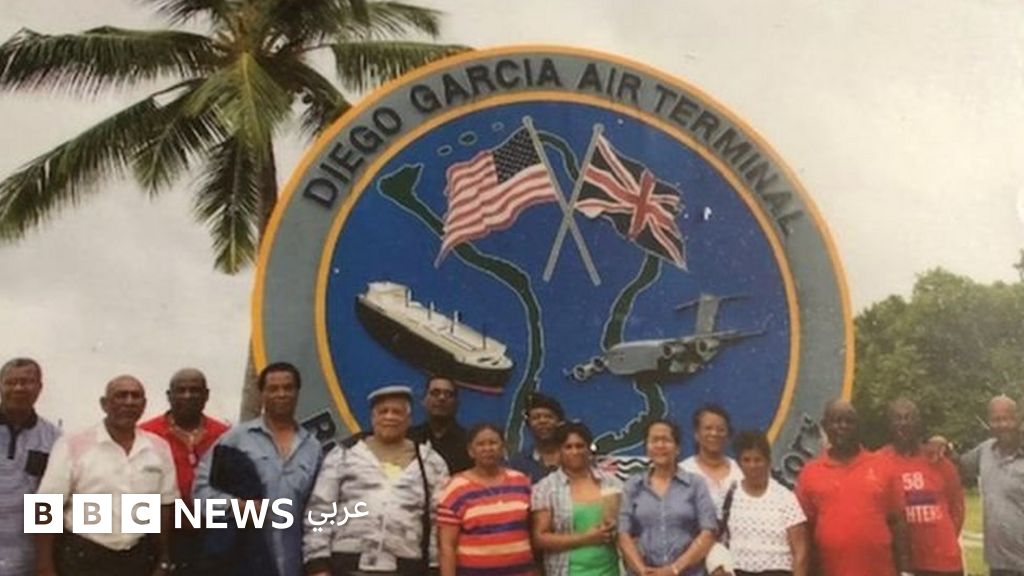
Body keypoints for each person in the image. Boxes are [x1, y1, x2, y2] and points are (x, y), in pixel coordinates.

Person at [36, 375, 178, 576]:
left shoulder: (159, 448)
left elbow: (164, 506)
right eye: (121, 395)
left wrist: (163, 558)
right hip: (83, 557)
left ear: (144, 404)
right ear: (104, 404)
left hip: (138, 558)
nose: (129, 402)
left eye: (135, 396)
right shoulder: (72, 444)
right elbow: (46, 505)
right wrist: (44, 566)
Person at [302, 384, 449, 576]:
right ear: (373, 418)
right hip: (347, 565)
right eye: (383, 412)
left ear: (408, 420)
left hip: (406, 567)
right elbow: (320, 509)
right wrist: (317, 564)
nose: (389, 417)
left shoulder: (431, 462)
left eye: (397, 412)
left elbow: (439, 521)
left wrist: (435, 566)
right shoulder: (344, 455)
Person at [194, 362, 322, 576]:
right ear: (262, 394)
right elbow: (200, 493)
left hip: (294, 563)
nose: (281, 394)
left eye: (288, 388)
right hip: (243, 560)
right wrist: (237, 506)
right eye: (273, 389)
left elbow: (319, 508)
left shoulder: (313, 447)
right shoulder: (235, 439)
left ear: (297, 392)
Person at [795, 399, 910, 576]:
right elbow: (804, 531)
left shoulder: (882, 466)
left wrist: (905, 570)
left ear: (859, 426)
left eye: (849, 421)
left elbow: (898, 523)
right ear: (825, 426)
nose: (843, 426)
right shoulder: (810, 473)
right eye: (837, 421)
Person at [140, 368, 230, 575]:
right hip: (160, 538)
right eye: (181, 390)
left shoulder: (225, 436)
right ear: (169, 396)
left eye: (194, 390)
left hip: (212, 538)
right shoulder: (146, 434)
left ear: (206, 395)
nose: (187, 396)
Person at [876, 398, 964, 576]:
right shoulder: (877, 461)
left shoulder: (937, 460)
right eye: (898, 418)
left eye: (909, 417)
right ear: (889, 424)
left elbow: (957, 507)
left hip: (943, 562)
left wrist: (942, 541)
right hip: (903, 561)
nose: (903, 423)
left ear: (918, 423)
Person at [618, 418, 717, 576]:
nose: (660, 445)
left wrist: (675, 569)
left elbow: (708, 531)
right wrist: (642, 571)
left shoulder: (695, 484)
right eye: (654, 440)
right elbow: (623, 533)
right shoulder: (633, 485)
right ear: (646, 448)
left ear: (677, 448)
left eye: (666, 440)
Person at [438, 423, 536, 576]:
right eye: (481, 444)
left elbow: (533, 533)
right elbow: (447, 546)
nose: (488, 448)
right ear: (470, 451)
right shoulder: (455, 488)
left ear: (503, 448)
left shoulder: (521, 482)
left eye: (493, 443)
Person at [532, 422, 621, 576]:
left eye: (580, 446)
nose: (575, 451)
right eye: (568, 447)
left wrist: (616, 528)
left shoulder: (610, 482)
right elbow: (540, 538)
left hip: (610, 571)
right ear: (559, 451)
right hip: (567, 571)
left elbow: (627, 526)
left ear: (589, 449)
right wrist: (586, 538)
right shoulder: (546, 488)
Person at [0, 358, 60, 576]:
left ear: (39, 387)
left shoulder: (54, 440)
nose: (18, 388)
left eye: (26, 382)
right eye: (11, 382)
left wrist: (44, 562)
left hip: (25, 561)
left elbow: (50, 501)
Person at [953, 395, 1024, 576]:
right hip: (999, 564)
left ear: (1018, 419)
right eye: (996, 420)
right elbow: (956, 466)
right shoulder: (985, 451)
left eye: (1007, 419)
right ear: (989, 423)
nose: (1002, 425)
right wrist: (941, 444)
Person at [723, 430, 809, 576]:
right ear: (739, 463)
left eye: (758, 460)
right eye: (746, 460)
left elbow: (800, 551)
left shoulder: (785, 498)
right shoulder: (729, 495)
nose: (752, 465)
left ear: (768, 461)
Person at [680, 403, 744, 515]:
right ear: (696, 434)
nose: (714, 433)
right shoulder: (683, 472)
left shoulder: (741, 471)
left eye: (720, 429)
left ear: (728, 435)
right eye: (708, 428)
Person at [408, 376, 472, 474]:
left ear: (457, 403)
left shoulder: (469, 442)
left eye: (448, 394)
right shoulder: (408, 438)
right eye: (435, 393)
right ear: (423, 400)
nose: (441, 398)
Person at [508, 392, 565, 483]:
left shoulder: (574, 455)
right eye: (536, 418)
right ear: (529, 424)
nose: (542, 421)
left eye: (548, 417)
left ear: (559, 422)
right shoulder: (518, 463)